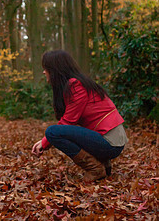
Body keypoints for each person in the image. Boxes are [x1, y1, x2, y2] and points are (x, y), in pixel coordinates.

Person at [32, 50, 128, 181]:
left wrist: (45, 142)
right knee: (55, 132)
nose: (44, 72)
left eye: (46, 68)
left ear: (55, 70)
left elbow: (68, 121)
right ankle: (104, 166)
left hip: (110, 142)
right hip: (108, 138)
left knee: (52, 132)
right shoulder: (76, 83)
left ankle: (95, 169)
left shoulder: (75, 85)